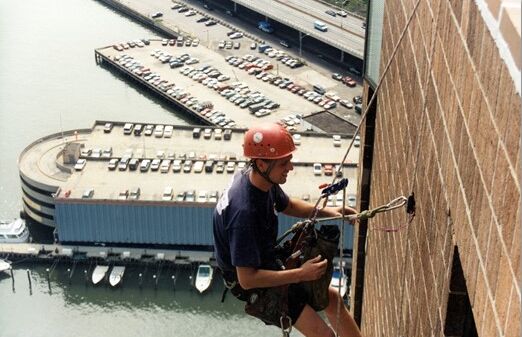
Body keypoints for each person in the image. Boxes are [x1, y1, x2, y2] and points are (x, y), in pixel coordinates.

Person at [213, 123, 362, 337]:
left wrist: (331, 211)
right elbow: (248, 279)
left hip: (266, 262)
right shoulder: (244, 214)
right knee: (324, 335)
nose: (290, 167)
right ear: (262, 164)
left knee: (333, 301)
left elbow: (288, 205)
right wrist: (300, 274)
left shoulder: (258, 180)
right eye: (284, 163)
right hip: (252, 282)